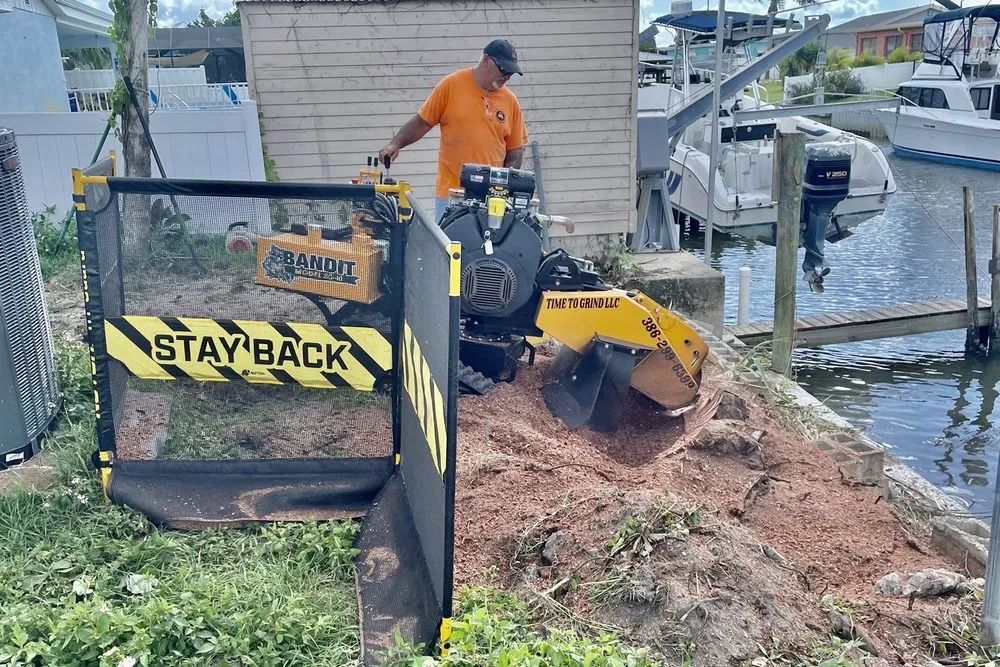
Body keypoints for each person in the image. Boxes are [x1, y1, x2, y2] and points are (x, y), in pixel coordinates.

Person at [378, 39, 529, 222]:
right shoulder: (452, 85)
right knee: (448, 248)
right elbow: (422, 122)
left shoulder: (510, 100)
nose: (507, 77)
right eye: (504, 70)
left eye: (510, 73)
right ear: (487, 60)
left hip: (491, 199)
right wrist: (395, 144)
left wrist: (505, 185)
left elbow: (515, 149)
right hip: (452, 194)